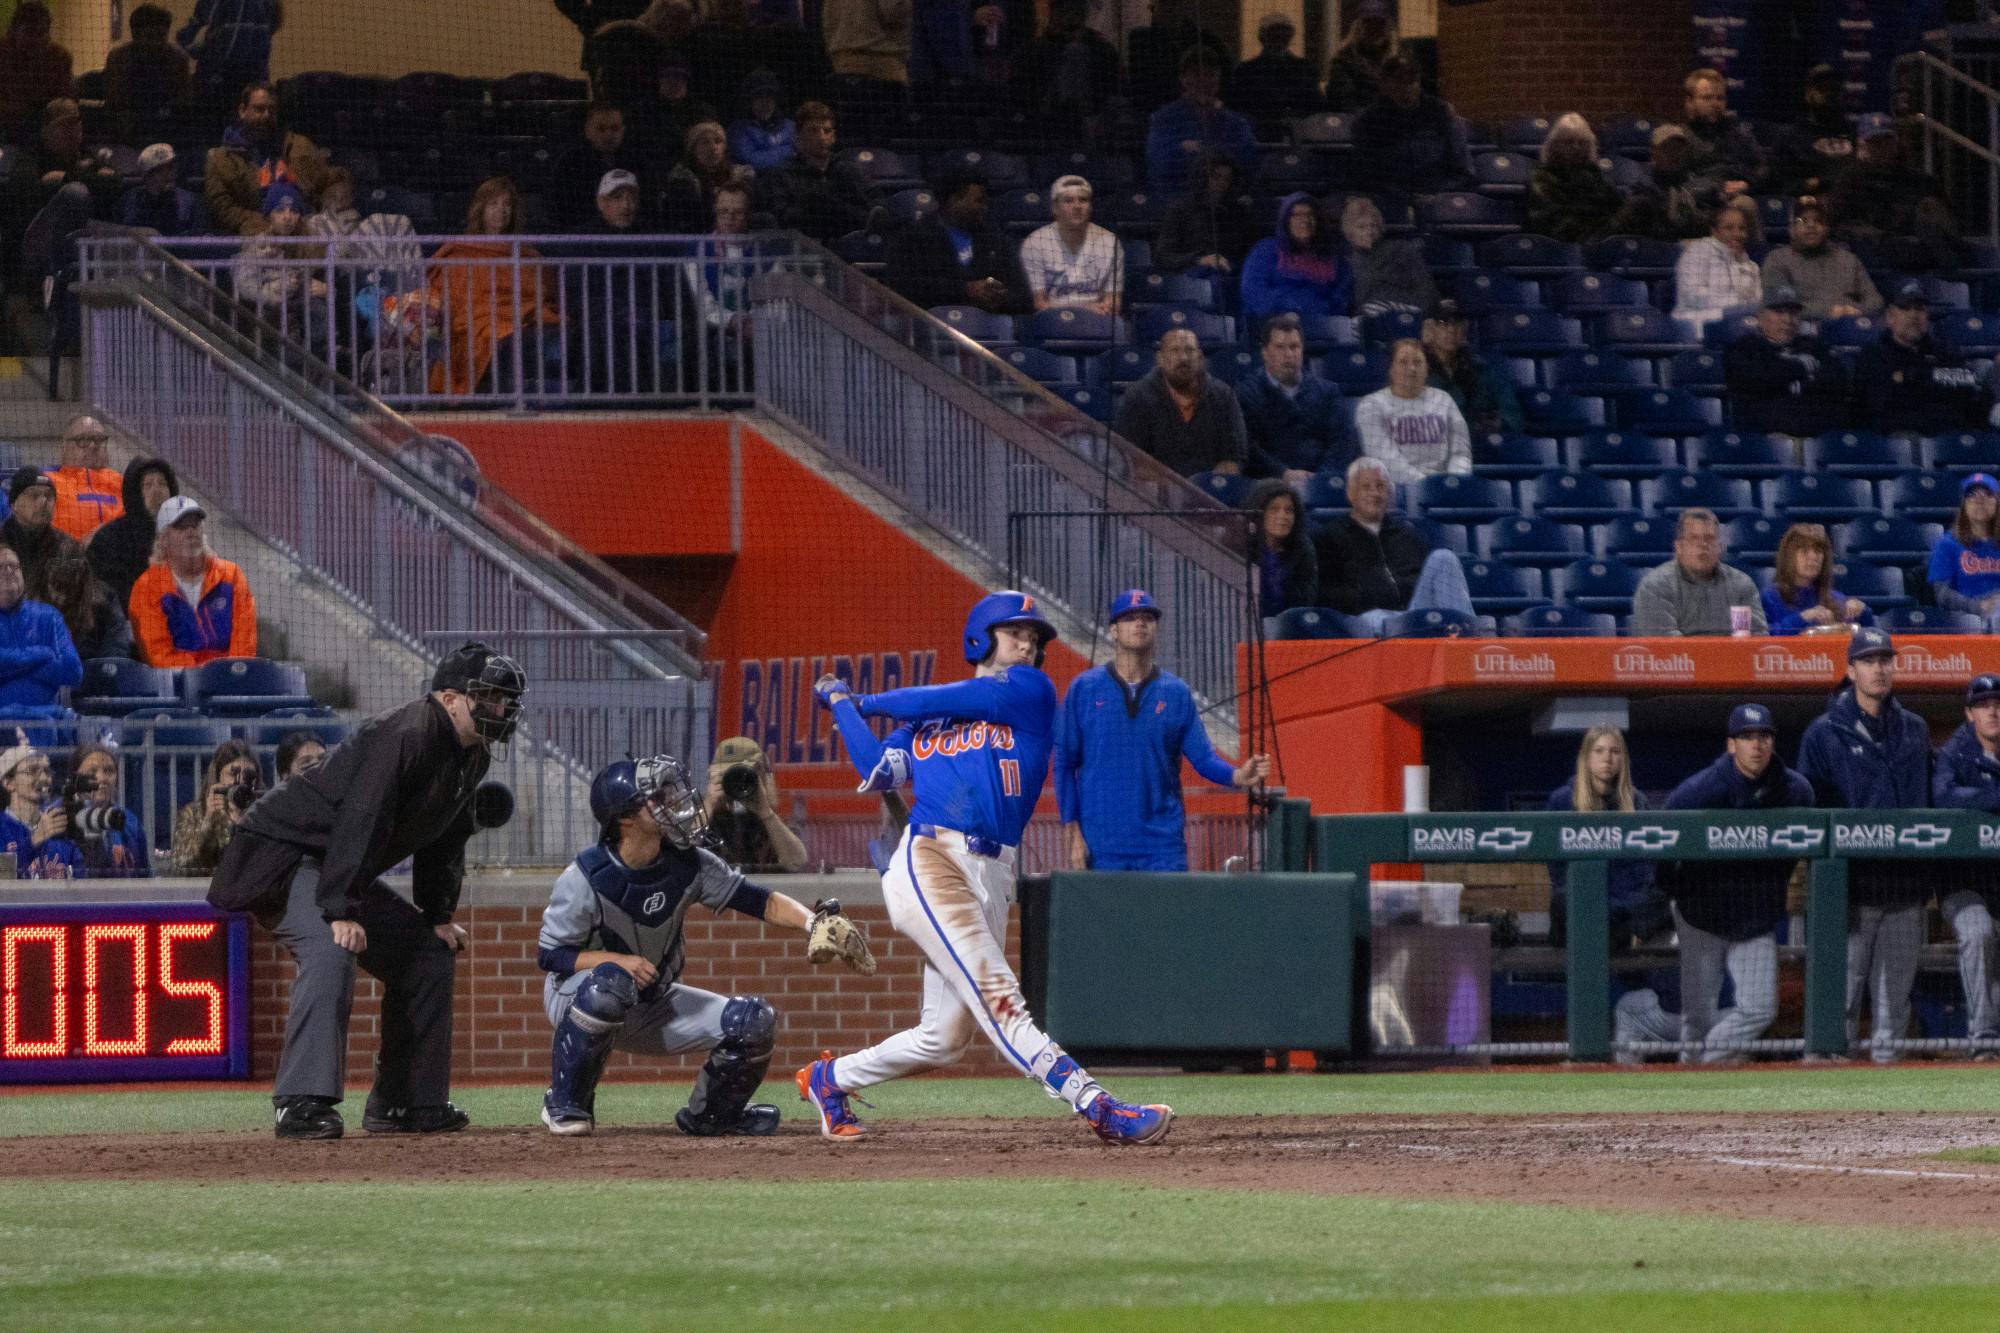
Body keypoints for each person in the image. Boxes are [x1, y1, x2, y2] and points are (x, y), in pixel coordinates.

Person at [804, 591, 1176, 1144]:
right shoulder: (925, 720)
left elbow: (960, 694)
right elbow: (880, 772)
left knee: (944, 1038)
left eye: (1034, 636)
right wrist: (840, 705)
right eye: (1015, 632)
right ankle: (1099, 1108)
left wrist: (868, 699)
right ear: (982, 635)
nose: (1027, 643)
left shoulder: (1030, 689)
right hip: (931, 857)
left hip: (993, 871)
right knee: (1004, 1001)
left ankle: (829, 1079)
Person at [208, 641, 526, 1140]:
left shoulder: (472, 756)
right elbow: (363, 817)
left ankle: (404, 1104)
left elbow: (447, 836)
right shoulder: (406, 733)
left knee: (426, 954)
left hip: (332, 864)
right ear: (448, 698)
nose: (499, 709)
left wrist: (437, 913)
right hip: (281, 854)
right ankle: (299, 1103)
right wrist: (340, 907)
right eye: (487, 697)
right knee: (331, 948)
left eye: (504, 700)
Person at [539, 753, 853, 1136]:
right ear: (625, 817)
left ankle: (714, 1115)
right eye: (656, 798)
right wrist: (616, 961)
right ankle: (566, 1102)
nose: (672, 803)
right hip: (578, 998)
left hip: (651, 1000)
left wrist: (811, 922)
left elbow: (759, 900)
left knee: (752, 1022)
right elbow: (553, 956)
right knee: (608, 985)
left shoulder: (690, 863)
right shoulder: (585, 875)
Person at [1053, 589, 1267, 873]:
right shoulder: (1084, 689)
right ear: (1114, 630)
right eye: (1129, 618)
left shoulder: (1176, 692)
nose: (1140, 623)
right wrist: (1072, 833)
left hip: (1162, 846)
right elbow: (1064, 764)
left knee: (1166, 918)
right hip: (1101, 845)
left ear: (1156, 628)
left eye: (1147, 618)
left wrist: (1238, 776)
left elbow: (1203, 758)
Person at [1798, 628, 1932, 1065]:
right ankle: (1830, 1107)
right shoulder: (1822, 733)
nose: (1879, 668)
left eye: (1885, 659)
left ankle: (1884, 1114)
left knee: (1894, 1004)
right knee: (1842, 996)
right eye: (1869, 661)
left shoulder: (1914, 729)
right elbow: (1809, 811)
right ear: (1851, 670)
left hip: (1905, 888)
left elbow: (1928, 802)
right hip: (1849, 890)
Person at [1658, 704, 1814, 1064]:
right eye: (1746, 737)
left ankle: (1700, 1068)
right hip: (1702, 915)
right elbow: (1661, 838)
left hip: (1755, 918)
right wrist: (1668, 893)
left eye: (1764, 736)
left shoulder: (1795, 790)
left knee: (1760, 1008)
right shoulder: (1701, 790)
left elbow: (1805, 844)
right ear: (1732, 745)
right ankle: (1688, 1089)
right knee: (1696, 1016)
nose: (1756, 745)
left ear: (1773, 742)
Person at [427, 177, 563, 396]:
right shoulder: (461, 250)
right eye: (494, 204)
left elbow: (541, 293)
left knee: (537, 332)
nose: (502, 211)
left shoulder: (527, 253)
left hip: (521, 316)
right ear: (480, 209)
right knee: (494, 335)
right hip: (477, 318)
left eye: (507, 204)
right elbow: (454, 298)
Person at [1314, 456, 1477, 635]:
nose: (1374, 494)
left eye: (1380, 487)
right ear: (1350, 494)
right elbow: (1325, 593)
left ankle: (1469, 642)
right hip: (1364, 618)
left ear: (1389, 494)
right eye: (1366, 487)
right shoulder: (1329, 536)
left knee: (1444, 558)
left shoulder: (1408, 533)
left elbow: (1425, 584)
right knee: (1374, 618)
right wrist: (1370, 594)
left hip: (1412, 613)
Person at [1545, 727, 1669, 948]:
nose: (1607, 759)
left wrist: (1619, 907)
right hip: (1582, 903)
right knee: (1563, 900)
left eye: (1614, 751)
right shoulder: (1562, 801)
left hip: (1623, 908)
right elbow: (1558, 871)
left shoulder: (1636, 802)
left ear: (1623, 759)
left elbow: (1644, 870)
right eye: (1599, 751)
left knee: (1663, 900)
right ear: (1586, 757)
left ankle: (1620, 939)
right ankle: (1619, 939)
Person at [1929, 672, 2000, 1055]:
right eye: (1984, 705)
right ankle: (1983, 1038)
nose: (1993, 711)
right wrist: (1994, 796)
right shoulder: (1954, 752)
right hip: (1962, 881)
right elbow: (1944, 797)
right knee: (1977, 933)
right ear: (1969, 713)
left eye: (1998, 704)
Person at [128, 495, 258, 669]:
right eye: (181, 527)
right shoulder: (146, 587)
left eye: (195, 525)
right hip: (175, 686)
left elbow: (244, 645)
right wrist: (200, 674)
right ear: (163, 539)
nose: (191, 532)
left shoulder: (232, 576)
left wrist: (230, 673)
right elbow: (157, 653)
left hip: (229, 682)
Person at [882, 166, 1031, 315]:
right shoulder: (912, 237)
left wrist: (1000, 297)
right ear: (954, 200)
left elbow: (1022, 296)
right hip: (929, 328)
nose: (984, 207)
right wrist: (965, 290)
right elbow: (904, 288)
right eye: (979, 201)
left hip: (987, 330)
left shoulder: (994, 239)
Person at [1854, 282, 1994, 437]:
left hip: (1949, 433)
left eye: (1920, 309)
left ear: (1927, 316)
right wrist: (1936, 381)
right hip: (1898, 439)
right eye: (1905, 308)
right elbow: (1882, 403)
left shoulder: (1944, 350)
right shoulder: (1873, 354)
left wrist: (1915, 378)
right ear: (1890, 316)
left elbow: (1967, 381)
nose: (1913, 315)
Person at [1828, 112, 1961, 274]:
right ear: (1863, 146)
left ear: (1896, 143)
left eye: (1886, 141)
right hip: (1871, 255)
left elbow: (1946, 217)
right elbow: (1839, 222)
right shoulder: (1849, 180)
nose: (1881, 148)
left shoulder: (1920, 180)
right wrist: (1881, 237)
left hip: (1919, 251)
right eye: (1875, 143)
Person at [1110, 327, 1248, 477]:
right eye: (1174, 350)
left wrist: (1206, 488)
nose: (1183, 358)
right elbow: (1130, 459)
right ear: (1160, 359)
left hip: (1211, 494)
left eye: (1189, 350)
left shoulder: (1224, 395)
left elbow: (1234, 457)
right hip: (1156, 494)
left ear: (1201, 358)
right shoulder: (1137, 397)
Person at [1236, 313, 1355, 482]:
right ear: (1265, 352)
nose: (1289, 354)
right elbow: (1248, 447)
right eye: (1280, 347)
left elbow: (1341, 444)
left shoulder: (1329, 392)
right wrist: (1283, 474)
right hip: (1268, 486)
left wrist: (1319, 480)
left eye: (1294, 347)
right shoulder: (1246, 393)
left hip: (1322, 485)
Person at [204, 82, 328, 237]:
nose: (266, 115)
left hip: (301, 231)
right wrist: (263, 223)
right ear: (243, 111)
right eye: (259, 109)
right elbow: (221, 207)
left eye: (272, 110)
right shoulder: (220, 159)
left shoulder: (300, 146)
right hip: (251, 237)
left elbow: (326, 183)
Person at [1723, 287, 1846, 439]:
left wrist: (1779, 377)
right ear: (1761, 317)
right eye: (1779, 312)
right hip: (1764, 440)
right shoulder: (1744, 348)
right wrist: (1801, 368)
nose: (1787, 320)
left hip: (1817, 436)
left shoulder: (1815, 346)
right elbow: (1756, 380)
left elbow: (1837, 381)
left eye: (1793, 313)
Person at [1630, 508, 1767, 637]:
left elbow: (1749, 638)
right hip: (1678, 661)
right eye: (1694, 538)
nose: (1703, 545)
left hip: (1730, 660)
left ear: (1720, 547)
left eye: (1709, 538)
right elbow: (1664, 644)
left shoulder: (1740, 585)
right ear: (1679, 547)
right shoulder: (1655, 586)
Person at [755, 100, 876, 242]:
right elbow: (782, 220)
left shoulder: (847, 171)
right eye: (813, 130)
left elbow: (872, 212)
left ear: (834, 137)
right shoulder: (781, 175)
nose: (821, 137)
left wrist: (833, 206)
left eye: (827, 130)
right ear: (798, 136)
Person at [1355, 338, 1471, 485]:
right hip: (1397, 488)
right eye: (1403, 362)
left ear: (1427, 368)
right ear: (1390, 370)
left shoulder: (1444, 399)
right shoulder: (1371, 405)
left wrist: (1455, 482)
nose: (1412, 369)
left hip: (1446, 487)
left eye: (1418, 362)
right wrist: (1427, 485)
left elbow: (1461, 453)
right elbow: (1385, 459)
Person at [1145, 47, 1258, 197]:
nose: (1204, 81)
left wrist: (1195, 149)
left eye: (1211, 75)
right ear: (1183, 79)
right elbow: (1161, 162)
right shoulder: (1164, 118)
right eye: (1197, 74)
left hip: (1225, 201)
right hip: (1176, 200)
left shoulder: (1235, 121)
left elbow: (1249, 159)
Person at [1353, 55, 1472, 196]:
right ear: (1384, 84)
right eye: (1398, 81)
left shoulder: (1440, 113)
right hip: (1391, 200)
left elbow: (1462, 172)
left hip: (1438, 198)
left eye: (1411, 81)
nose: (1406, 88)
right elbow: (1367, 174)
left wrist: (1437, 194)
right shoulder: (1369, 120)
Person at [231, 182, 331, 349]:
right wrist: (275, 294)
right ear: (269, 215)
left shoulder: (311, 245)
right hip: (268, 310)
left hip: (301, 311)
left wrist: (327, 289)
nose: (287, 217)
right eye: (279, 210)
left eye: (294, 211)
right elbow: (246, 286)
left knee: (318, 309)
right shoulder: (259, 245)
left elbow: (326, 281)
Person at [1759, 197, 1880, 322]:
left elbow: (1875, 300)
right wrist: (1829, 311)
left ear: (1826, 228)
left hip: (1851, 324)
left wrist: (1855, 310)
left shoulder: (1848, 259)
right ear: (1791, 229)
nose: (1811, 225)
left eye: (1818, 220)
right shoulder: (1778, 259)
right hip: (1804, 328)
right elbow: (1777, 305)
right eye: (1803, 221)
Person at [702, 735, 809, 872]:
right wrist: (708, 806)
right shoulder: (705, 819)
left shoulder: (779, 819)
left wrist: (766, 813)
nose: (738, 783)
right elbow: (677, 854)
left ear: (763, 776)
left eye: (745, 776)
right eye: (729, 776)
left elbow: (797, 862)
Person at [1020, 175, 1123, 315]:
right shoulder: (1035, 243)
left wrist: (1094, 312)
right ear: (1055, 208)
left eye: (1083, 200)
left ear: (1090, 206)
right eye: (1068, 201)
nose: (1077, 206)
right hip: (1051, 321)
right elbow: (1039, 303)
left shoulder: (1110, 242)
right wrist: (1083, 310)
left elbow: (1113, 301)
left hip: (1096, 319)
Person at [1241, 194, 1350, 325]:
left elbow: (1341, 298)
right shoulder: (1265, 250)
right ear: (1285, 220)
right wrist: (1286, 312)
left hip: (1323, 324)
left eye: (1310, 215)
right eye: (1296, 215)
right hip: (1273, 324)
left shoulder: (1332, 256)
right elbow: (1253, 290)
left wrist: (1316, 314)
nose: (1305, 220)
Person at [87, 457, 178, 610]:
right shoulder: (110, 538)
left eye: (162, 483)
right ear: (135, 494)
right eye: (147, 485)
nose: (156, 491)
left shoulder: (184, 531)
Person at [0, 545, 81, 716]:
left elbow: (73, 671)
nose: (8, 571)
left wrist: (10, 668)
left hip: (46, 717)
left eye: (14, 566)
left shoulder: (49, 616)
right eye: (0, 566)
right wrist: (41, 654)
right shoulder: (43, 651)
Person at [1154, 150, 1258, 280]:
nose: (1222, 183)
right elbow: (1164, 256)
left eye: (1227, 178)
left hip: (1232, 275)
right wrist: (1200, 260)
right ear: (1202, 177)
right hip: (1192, 279)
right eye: (1216, 177)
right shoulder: (1179, 210)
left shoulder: (1238, 212)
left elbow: (1249, 252)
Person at [1422, 300, 1522, 435]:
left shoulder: (1483, 369)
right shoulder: (1412, 369)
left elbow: (1514, 417)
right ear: (1430, 328)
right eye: (1442, 323)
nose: (1451, 330)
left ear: (1465, 329)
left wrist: (1495, 423)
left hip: (1479, 447)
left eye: (1457, 323)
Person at [1528, 113, 1628, 244]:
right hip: (1559, 247)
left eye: (1582, 142)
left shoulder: (1595, 177)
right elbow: (1553, 223)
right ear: (1555, 145)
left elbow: (1614, 208)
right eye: (1569, 142)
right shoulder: (1543, 177)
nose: (1576, 147)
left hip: (1600, 244)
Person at [176, 0, 281, 124]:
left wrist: (183, 38)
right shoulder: (268, 3)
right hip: (254, 86)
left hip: (217, 88)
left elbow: (192, 42)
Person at [1761, 523, 1873, 636]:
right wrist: (1803, 618)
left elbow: (1871, 637)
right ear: (1789, 557)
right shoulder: (1769, 597)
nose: (1813, 557)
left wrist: (1863, 613)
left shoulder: (1835, 598)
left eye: (1818, 551)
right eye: (1804, 551)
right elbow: (1764, 635)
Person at [103, 4, 191, 146]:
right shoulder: (119, 59)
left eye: (161, 36)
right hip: (127, 134)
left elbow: (183, 107)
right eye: (150, 36)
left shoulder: (178, 59)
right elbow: (116, 105)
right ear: (135, 35)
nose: (157, 43)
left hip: (168, 132)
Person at [1672, 197, 1762, 333]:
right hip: (1697, 327)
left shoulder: (1751, 266)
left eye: (1742, 228)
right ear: (1714, 231)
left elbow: (1758, 302)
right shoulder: (1697, 251)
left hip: (1738, 328)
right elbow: (1692, 296)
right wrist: (1736, 307)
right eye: (1729, 228)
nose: (1737, 234)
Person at [1613, 123, 1714, 243]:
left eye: (1679, 149)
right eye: (1668, 148)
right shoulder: (1643, 188)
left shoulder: (1688, 186)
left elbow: (1698, 224)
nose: (1675, 154)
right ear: (1654, 151)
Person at [553, 102, 647, 230]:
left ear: (623, 130)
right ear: (587, 131)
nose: (609, 135)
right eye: (601, 129)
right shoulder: (570, 164)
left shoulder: (638, 162)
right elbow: (562, 210)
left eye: (615, 128)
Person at [174, 738, 260, 875]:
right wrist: (208, 822)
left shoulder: (264, 813)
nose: (241, 781)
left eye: (248, 776)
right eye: (233, 774)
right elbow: (182, 867)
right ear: (217, 776)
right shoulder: (193, 814)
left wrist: (242, 822)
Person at [1341, 195, 1436, 319]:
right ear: (1350, 232)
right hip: (1370, 319)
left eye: (1373, 225)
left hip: (1411, 313)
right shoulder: (1346, 262)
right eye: (1361, 227)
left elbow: (1427, 291)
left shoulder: (1403, 249)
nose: (1369, 231)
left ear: (1380, 228)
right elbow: (1356, 303)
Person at [1681, 67, 1767, 202]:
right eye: (1707, 98)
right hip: (1700, 203)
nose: (1715, 104)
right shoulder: (1682, 137)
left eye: (1720, 98)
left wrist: (1748, 183)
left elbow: (1763, 166)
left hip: (1739, 198)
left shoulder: (1739, 132)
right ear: (1689, 102)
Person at [1771, 64, 1858, 197]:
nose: (1830, 94)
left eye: (1835, 88)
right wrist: (1819, 184)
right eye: (1823, 88)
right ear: (1808, 94)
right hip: (1809, 205)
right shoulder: (1791, 136)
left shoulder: (1854, 132)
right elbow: (1783, 185)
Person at [65, 743, 150, 878]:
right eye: (92, 772)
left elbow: (144, 878)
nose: (102, 778)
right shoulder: (57, 820)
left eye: (109, 771)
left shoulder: (130, 822)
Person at [1230, 12, 1321, 139]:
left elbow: (1315, 105)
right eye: (1274, 34)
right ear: (1263, 37)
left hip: (1301, 135)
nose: (1279, 39)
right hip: (1260, 136)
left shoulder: (1306, 69)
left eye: (1284, 34)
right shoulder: (1246, 71)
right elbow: (1238, 107)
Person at [0, 743, 82, 879]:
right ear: (9, 783)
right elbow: (3, 878)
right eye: (32, 770)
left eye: (47, 771)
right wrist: (34, 840)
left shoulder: (60, 824)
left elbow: (83, 882)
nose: (44, 778)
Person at [1928, 473, 2000, 627]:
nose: (1980, 500)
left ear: (1997, 503)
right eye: (1972, 495)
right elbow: (1942, 594)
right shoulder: (1947, 544)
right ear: (1964, 504)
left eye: (1988, 494)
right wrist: (1977, 606)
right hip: (1966, 619)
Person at [2, 468, 84, 604]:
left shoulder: (68, 547)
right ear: (13, 504)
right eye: (33, 496)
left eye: (49, 496)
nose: (43, 502)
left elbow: (82, 599)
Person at [45, 416, 124, 544]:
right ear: (64, 446)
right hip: (65, 559)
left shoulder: (124, 483)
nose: (93, 446)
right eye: (82, 440)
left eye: (98, 440)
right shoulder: (46, 482)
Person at [661, 121, 752, 233]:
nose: (713, 147)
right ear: (693, 148)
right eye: (705, 142)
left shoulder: (740, 174)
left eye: (718, 141)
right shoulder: (681, 179)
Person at [43, 552, 135, 662]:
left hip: (94, 675)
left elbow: (116, 653)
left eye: (69, 588)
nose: (62, 597)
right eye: (57, 587)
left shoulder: (105, 602)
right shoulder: (34, 607)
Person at [1246, 479, 1317, 619]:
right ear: (1258, 512)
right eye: (1274, 509)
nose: (1283, 516)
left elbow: (1306, 601)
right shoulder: (1241, 547)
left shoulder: (1303, 549)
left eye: (1289, 510)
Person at [0, 2, 71, 140]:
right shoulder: (2, 55)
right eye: (30, 32)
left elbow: (65, 103)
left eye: (42, 32)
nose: (36, 39)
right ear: (13, 32)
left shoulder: (59, 58)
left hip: (44, 132)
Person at [1323, 0, 1400, 113]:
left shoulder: (1398, 58)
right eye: (1369, 23)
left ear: (1388, 26)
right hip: (1360, 123)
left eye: (1380, 23)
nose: (1375, 28)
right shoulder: (1344, 61)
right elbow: (1344, 103)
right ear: (1358, 27)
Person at [116, 144, 208, 237]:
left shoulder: (190, 203)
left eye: (171, 167)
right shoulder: (129, 201)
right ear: (147, 176)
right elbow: (115, 236)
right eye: (159, 170)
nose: (170, 174)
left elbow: (200, 241)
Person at [729, 70, 796, 173]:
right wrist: (790, 151)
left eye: (769, 97)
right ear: (749, 102)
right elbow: (753, 161)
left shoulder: (790, 126)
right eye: (759, 98)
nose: (765, 104)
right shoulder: (738, 130)